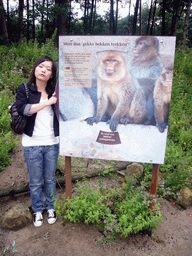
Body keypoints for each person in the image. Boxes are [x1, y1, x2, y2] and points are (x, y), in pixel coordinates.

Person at [15, 56, 59, 227]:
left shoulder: (55, 91)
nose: (43, 70)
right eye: (41, 66)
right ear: (35, 69)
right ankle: (38, 209)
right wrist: (47, 103)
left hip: (52, 142)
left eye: (48, 69)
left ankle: (51, 207)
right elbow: (24, 109)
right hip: (31, 143)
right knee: (34, 181)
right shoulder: (25, 89)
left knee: (49, 179)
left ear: (51, 75)